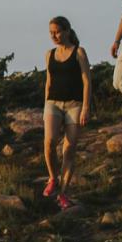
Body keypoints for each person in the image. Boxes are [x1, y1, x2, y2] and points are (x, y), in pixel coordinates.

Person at [41, 16, 90, 209]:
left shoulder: (79, 52)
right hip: (53, 103)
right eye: (51, 32)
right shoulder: (49, 54)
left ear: (67, 31)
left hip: (74, 104)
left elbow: (87, 81)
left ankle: (63, 194)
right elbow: (48, 81)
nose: (54, 35)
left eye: (57, 31)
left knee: (69, 149)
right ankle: (53, 178)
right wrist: (45, 105)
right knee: (49, 142)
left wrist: (86, 106)